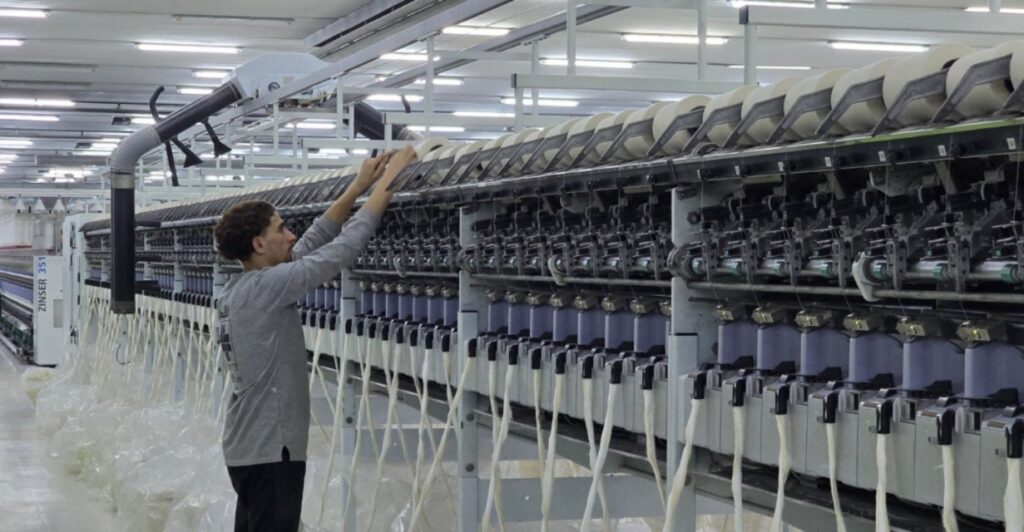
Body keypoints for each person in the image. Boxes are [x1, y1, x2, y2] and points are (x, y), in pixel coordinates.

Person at [211, 146, 417, 532]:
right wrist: (390, 182)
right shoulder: (267, 287)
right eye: (281, 229)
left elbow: (311, 244)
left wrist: (359, 185)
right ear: (259, 245)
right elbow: (340, 252)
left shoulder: (241, 288)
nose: (290, 235)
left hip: (248, 448)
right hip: (272, 451)